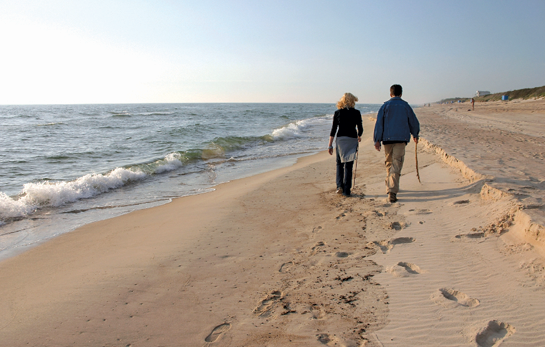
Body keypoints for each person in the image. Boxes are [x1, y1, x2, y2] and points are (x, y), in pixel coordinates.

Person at [373, 84, 420, 203]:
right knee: (396, 164)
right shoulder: (405, 106)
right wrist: (415, 134)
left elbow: (379, 124)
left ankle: (391, 186)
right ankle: (392, 191)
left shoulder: (385, 106)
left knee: (390, 164)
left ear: (390, 94)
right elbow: (413, 121)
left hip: (387, 140)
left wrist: (377, 140)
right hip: (400, 139)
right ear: (401, 94)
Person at [328, 93, 363, 196]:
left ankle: (339, 186)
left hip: (341, 140)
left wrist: (330, 145)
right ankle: (347, 191)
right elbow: (360, 128)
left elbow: (333, 130)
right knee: (349, 165)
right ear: (353, 101)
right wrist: (359, 135)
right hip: (352, 140)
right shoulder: (357, 113)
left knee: (339, 163)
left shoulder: (338, 113)